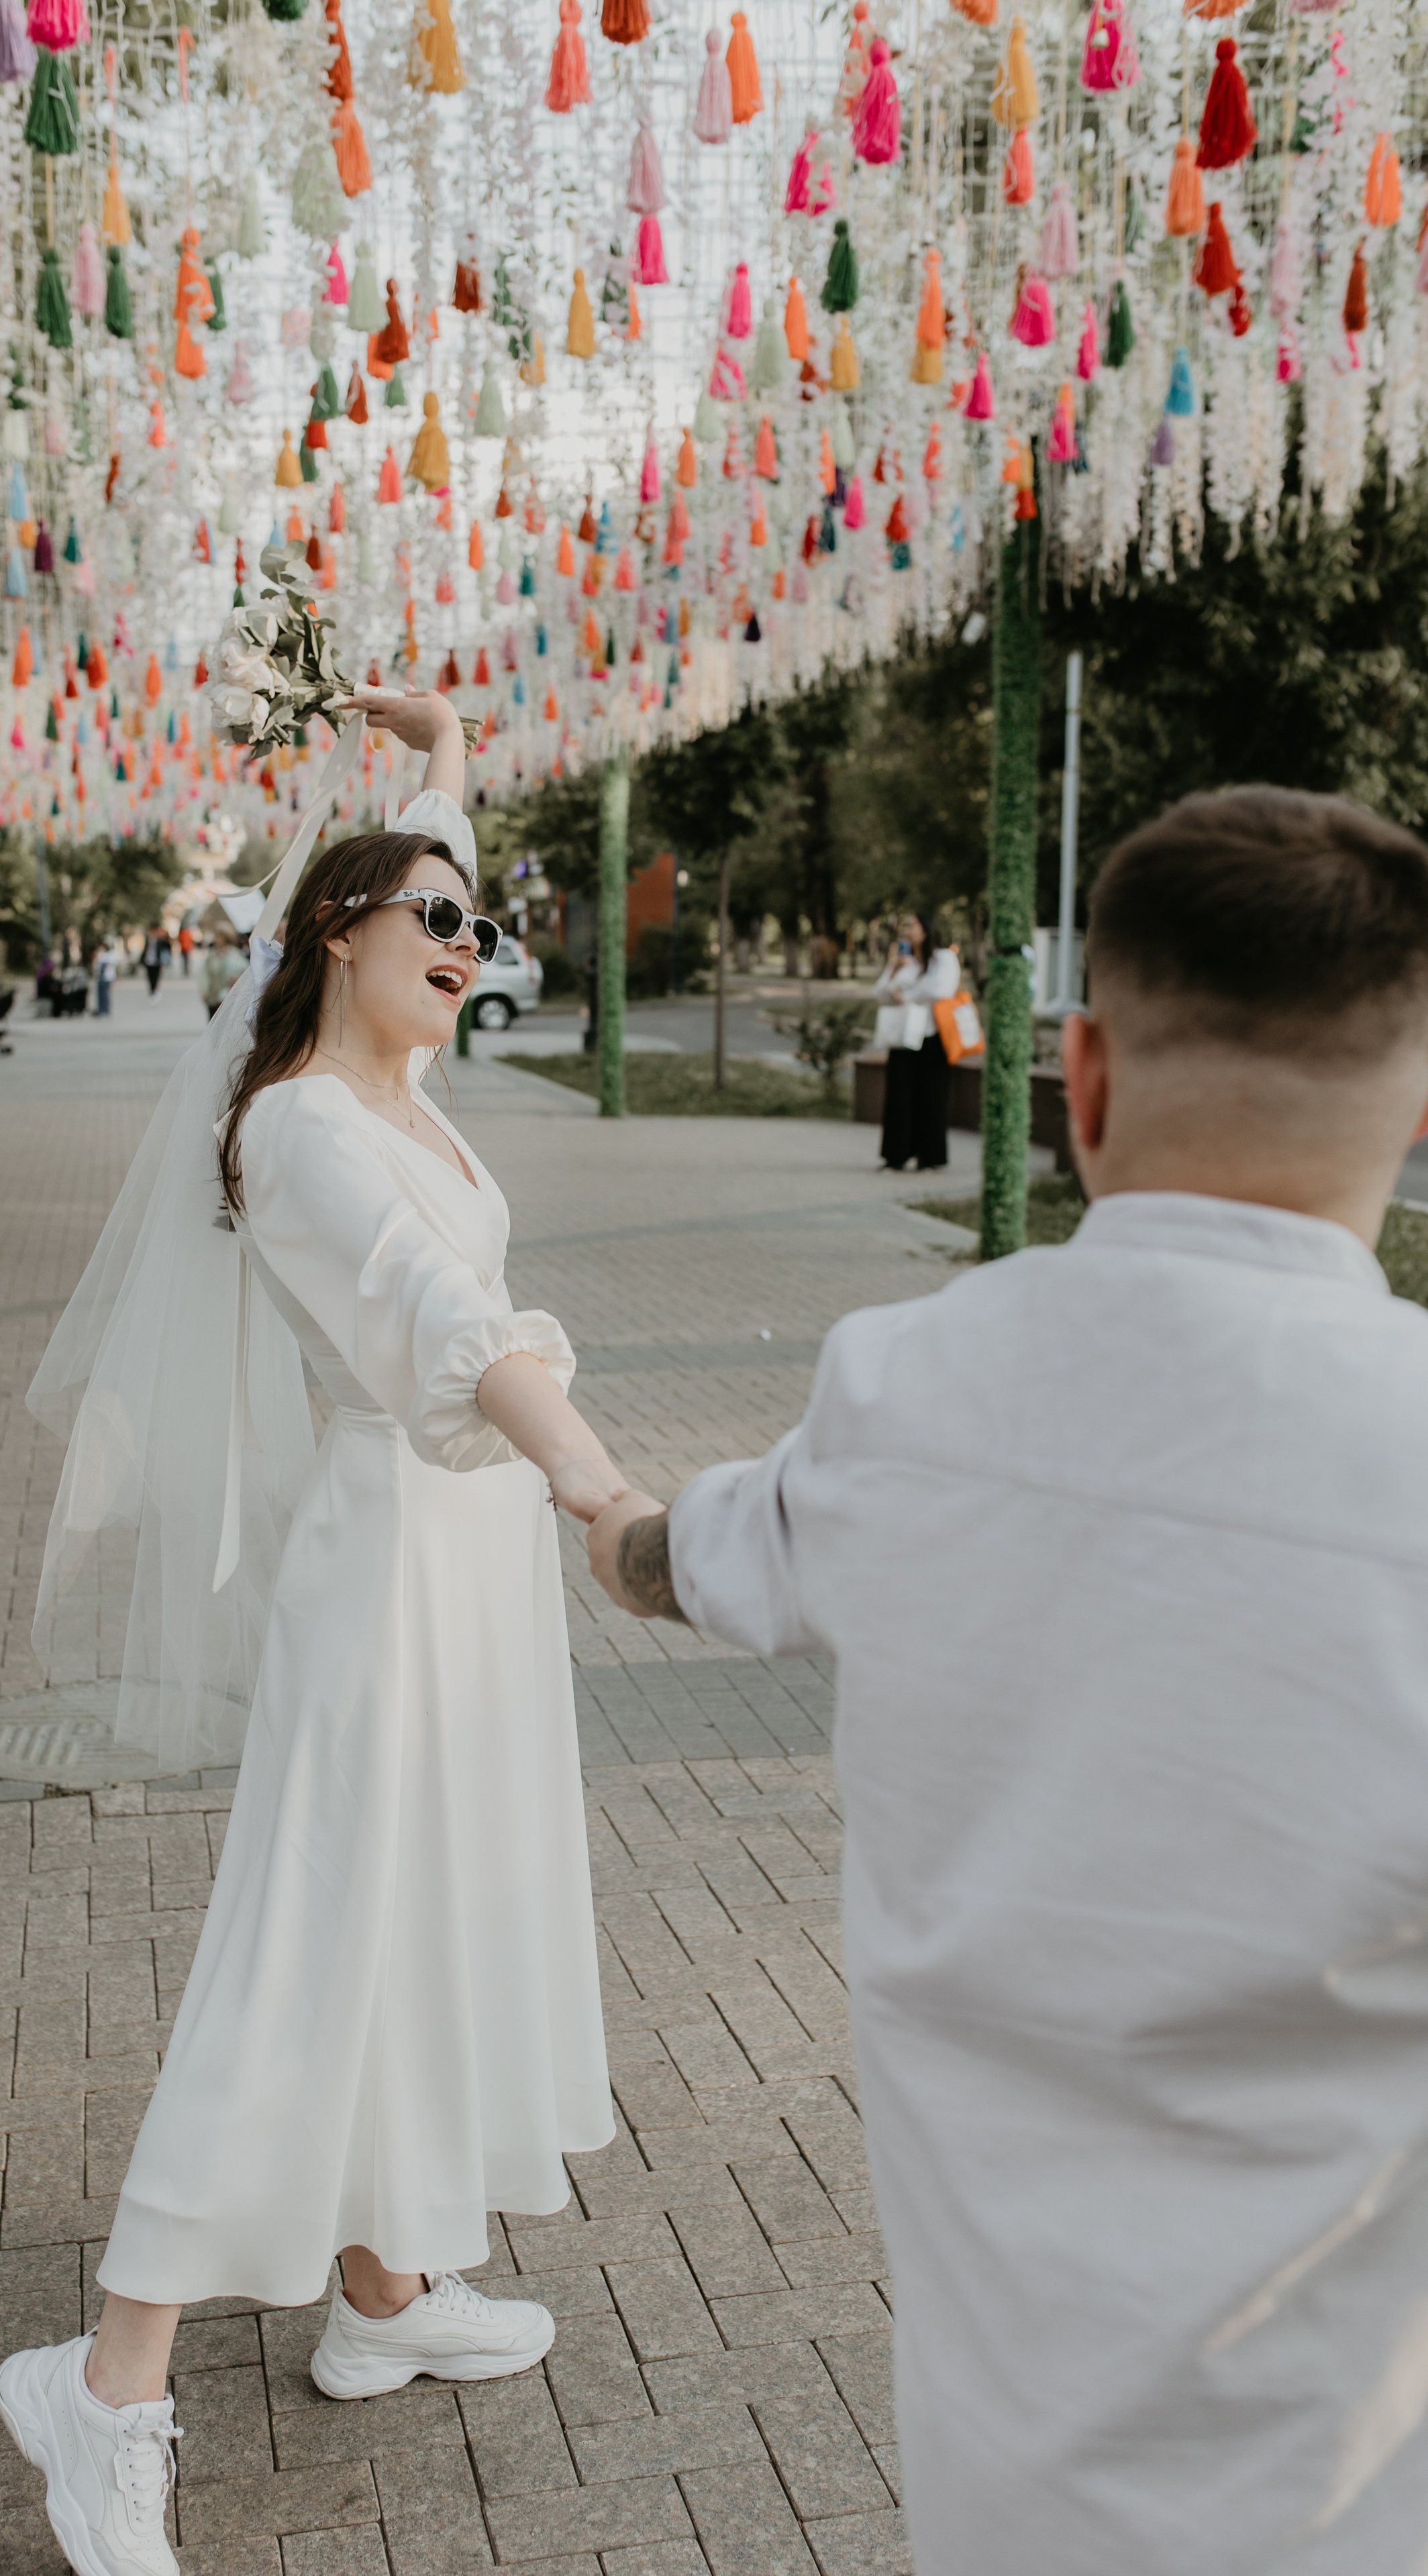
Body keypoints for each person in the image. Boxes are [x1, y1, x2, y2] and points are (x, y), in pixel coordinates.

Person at [588, 785, 1428, 2576]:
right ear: (1418, 1107)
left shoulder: (904, 1394)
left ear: (1086, 1076)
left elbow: (700, 1559)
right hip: (1354, 2487)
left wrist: (608, 1526)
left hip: (1002, 2478)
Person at [0, 687, 636, 2576]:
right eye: (430, 919)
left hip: (468, 1560)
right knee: (309, 1945)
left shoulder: (401, 1092)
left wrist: (438, 743)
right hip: (388, 1559)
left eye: (478, 925)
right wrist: (604, 1497)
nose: (465, 943)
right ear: (335, 938)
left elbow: (428, 833)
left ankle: (382, 2282)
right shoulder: (299, 1134)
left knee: (437, 1916)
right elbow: (448, 1327)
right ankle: (104, 2389)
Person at [873, 910, 960, 1172]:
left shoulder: (943, 958)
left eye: (912, 925)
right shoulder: (903, 961)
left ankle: (930, 1156)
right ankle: (896, 1155)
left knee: (932, 1097)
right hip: (903, 1038)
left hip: (933, 1037)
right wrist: (893, 972)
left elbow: (941, 989)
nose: (907, 931)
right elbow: (881, 994)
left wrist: (907, 995)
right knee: (899, 1096)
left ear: (926, 930)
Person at [197, 924, 241, 1021]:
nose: (215, 939)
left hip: (230, 999)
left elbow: (244, 973)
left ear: (226, 937)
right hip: (213, 997)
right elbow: (205, 973)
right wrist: (204, 990)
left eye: (218, 936)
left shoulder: (236, 955)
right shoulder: (211, 956)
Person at [142, 924, 170, 1000]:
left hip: (157, 962)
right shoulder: (147, 940)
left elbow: (166, 950)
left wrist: (165, 962)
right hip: (148, 962)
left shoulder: (160, 941)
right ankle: (152, 991)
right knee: (150, 977)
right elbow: (145, 951)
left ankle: (155, 991)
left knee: (156, 977)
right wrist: (142, 960)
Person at [94, 937, 119, 1018]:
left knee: (106, 994)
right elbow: (96, 965)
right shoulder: (101, 954)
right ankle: (101, 1009)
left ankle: (106, 1010)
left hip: (107, 977)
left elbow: (113, 964)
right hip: (100, 977)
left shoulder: (112, 954)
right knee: (100, 994)